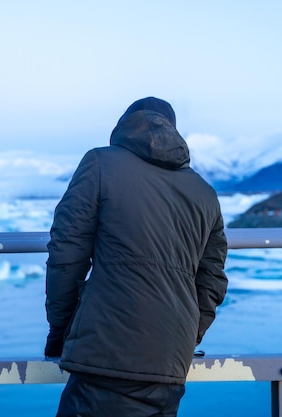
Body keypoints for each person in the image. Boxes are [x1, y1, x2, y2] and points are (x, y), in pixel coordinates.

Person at [44, 97, 228, 417]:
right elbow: (212, 279)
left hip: (105, 351)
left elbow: (67, 254)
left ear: (123, 127)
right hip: (170, 359)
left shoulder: (100, 164)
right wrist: (184, 339)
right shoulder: (204, 192)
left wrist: (61, 333)